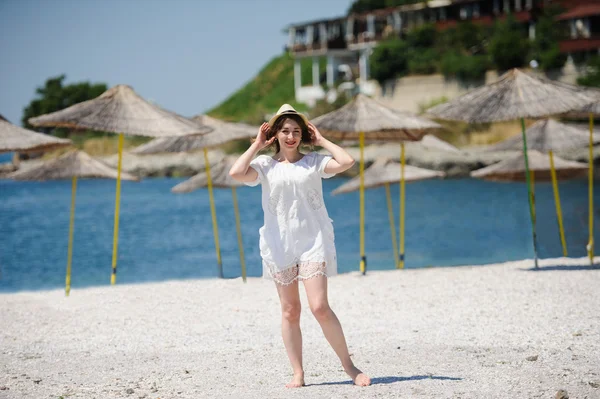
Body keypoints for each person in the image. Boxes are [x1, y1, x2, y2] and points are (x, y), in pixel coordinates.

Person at [229, 104, 371, 388]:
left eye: (296, 131)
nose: (291, 136)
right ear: (276, 135)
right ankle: (298, 373)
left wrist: (322, 141)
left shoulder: (314, 162)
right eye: (285, 131)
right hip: (279, 244)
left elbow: (347, 161)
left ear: (303, 134)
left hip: (312, 240)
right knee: (290, 310)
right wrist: (257, 145)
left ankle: (350, 367)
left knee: (319, 307)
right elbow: (236, 173)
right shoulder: (265, 166)